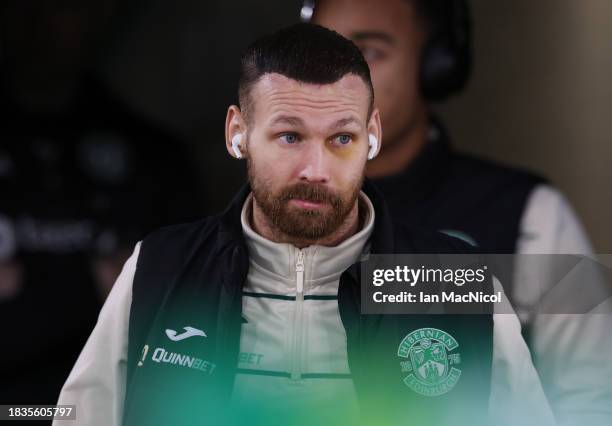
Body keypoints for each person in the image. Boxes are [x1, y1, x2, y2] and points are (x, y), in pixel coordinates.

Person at [55, 24, 556, 426]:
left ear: (371, 136)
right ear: (238, 133)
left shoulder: (453, 280)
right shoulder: (161, 265)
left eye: (341, 139)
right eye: (290, 136)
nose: (316, 169)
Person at [310, 1, 611, 424]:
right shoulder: (266, 214)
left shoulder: (529, 214)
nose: (335, 80)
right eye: (321, 55)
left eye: (370, 53)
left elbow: (593, 403)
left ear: (436, 65)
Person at [0, 0, 203, 406]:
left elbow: (185, 316)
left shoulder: (155, 156)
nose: (38, 21)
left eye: (62, 6)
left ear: (100, 14)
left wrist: (28, 285)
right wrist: (96, 282)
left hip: (109, 406)